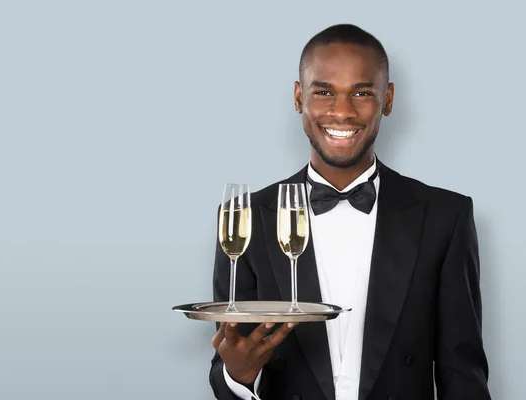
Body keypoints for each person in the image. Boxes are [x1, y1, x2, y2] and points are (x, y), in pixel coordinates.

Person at [208, 23, 492, 400]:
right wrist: (237, 377)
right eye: (323, 91)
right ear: (298, 97)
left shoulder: (444, 216)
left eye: (362, 92)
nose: (342, 112)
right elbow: (228, 364)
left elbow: (463, 375)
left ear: (388, 100)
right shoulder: (247, 217)